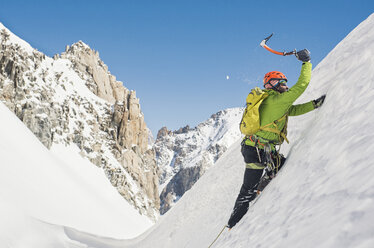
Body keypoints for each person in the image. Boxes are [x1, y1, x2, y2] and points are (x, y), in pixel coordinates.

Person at [227, 49, 326, 229]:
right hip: (256, 150)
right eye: (277, 82)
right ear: (269, 85)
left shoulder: (278, 103)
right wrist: (307, 62)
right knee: (247, 190)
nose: (283, 84)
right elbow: (302, 85)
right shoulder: (275, 101)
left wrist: (314, 104)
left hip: (259, 148)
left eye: (283, 81)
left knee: (278, 164)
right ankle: (233, 225)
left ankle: (264, 182)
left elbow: (292, 110)